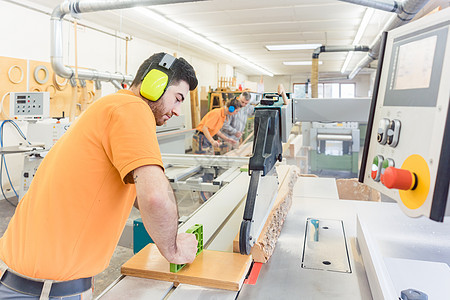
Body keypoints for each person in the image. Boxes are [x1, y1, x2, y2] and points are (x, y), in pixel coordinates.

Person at [0, 52, 199, 300]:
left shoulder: (110, 105)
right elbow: (155, 198)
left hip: (23, 279)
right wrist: (173, 248)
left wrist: (166, 225)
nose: (178, 111)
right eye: (177, 98)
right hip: (49, 291)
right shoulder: (134, 109)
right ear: (154, 84)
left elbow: (136, 189)